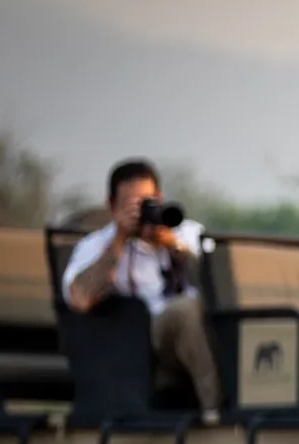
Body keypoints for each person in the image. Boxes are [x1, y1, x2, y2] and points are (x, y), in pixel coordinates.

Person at [61, 158, 221, 411]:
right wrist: (119, 241)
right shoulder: (95, 245)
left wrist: (171, 244)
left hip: (202, 327)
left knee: (202, 313)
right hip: (139, 337)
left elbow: (221, 278)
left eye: (148, 202)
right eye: (131, 206)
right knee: (185, 310)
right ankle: (215, 409)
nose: (142, 213)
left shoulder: (186, 232)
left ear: (160, 197)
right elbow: (79, 298)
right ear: (111, 206)